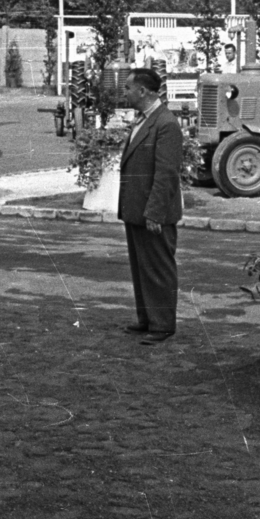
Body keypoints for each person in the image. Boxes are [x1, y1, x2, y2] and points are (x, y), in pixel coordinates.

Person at [118, 68, 184, 345]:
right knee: (142, 268)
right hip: (137, 210)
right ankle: (147, 318)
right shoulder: (144, 119)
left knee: (158, 268)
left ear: (143, 91)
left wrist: (155, 212)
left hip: (153, 213)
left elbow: (166, 173)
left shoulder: (165, 124)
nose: (125, 93)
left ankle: (162, 324)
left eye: (128, 88)